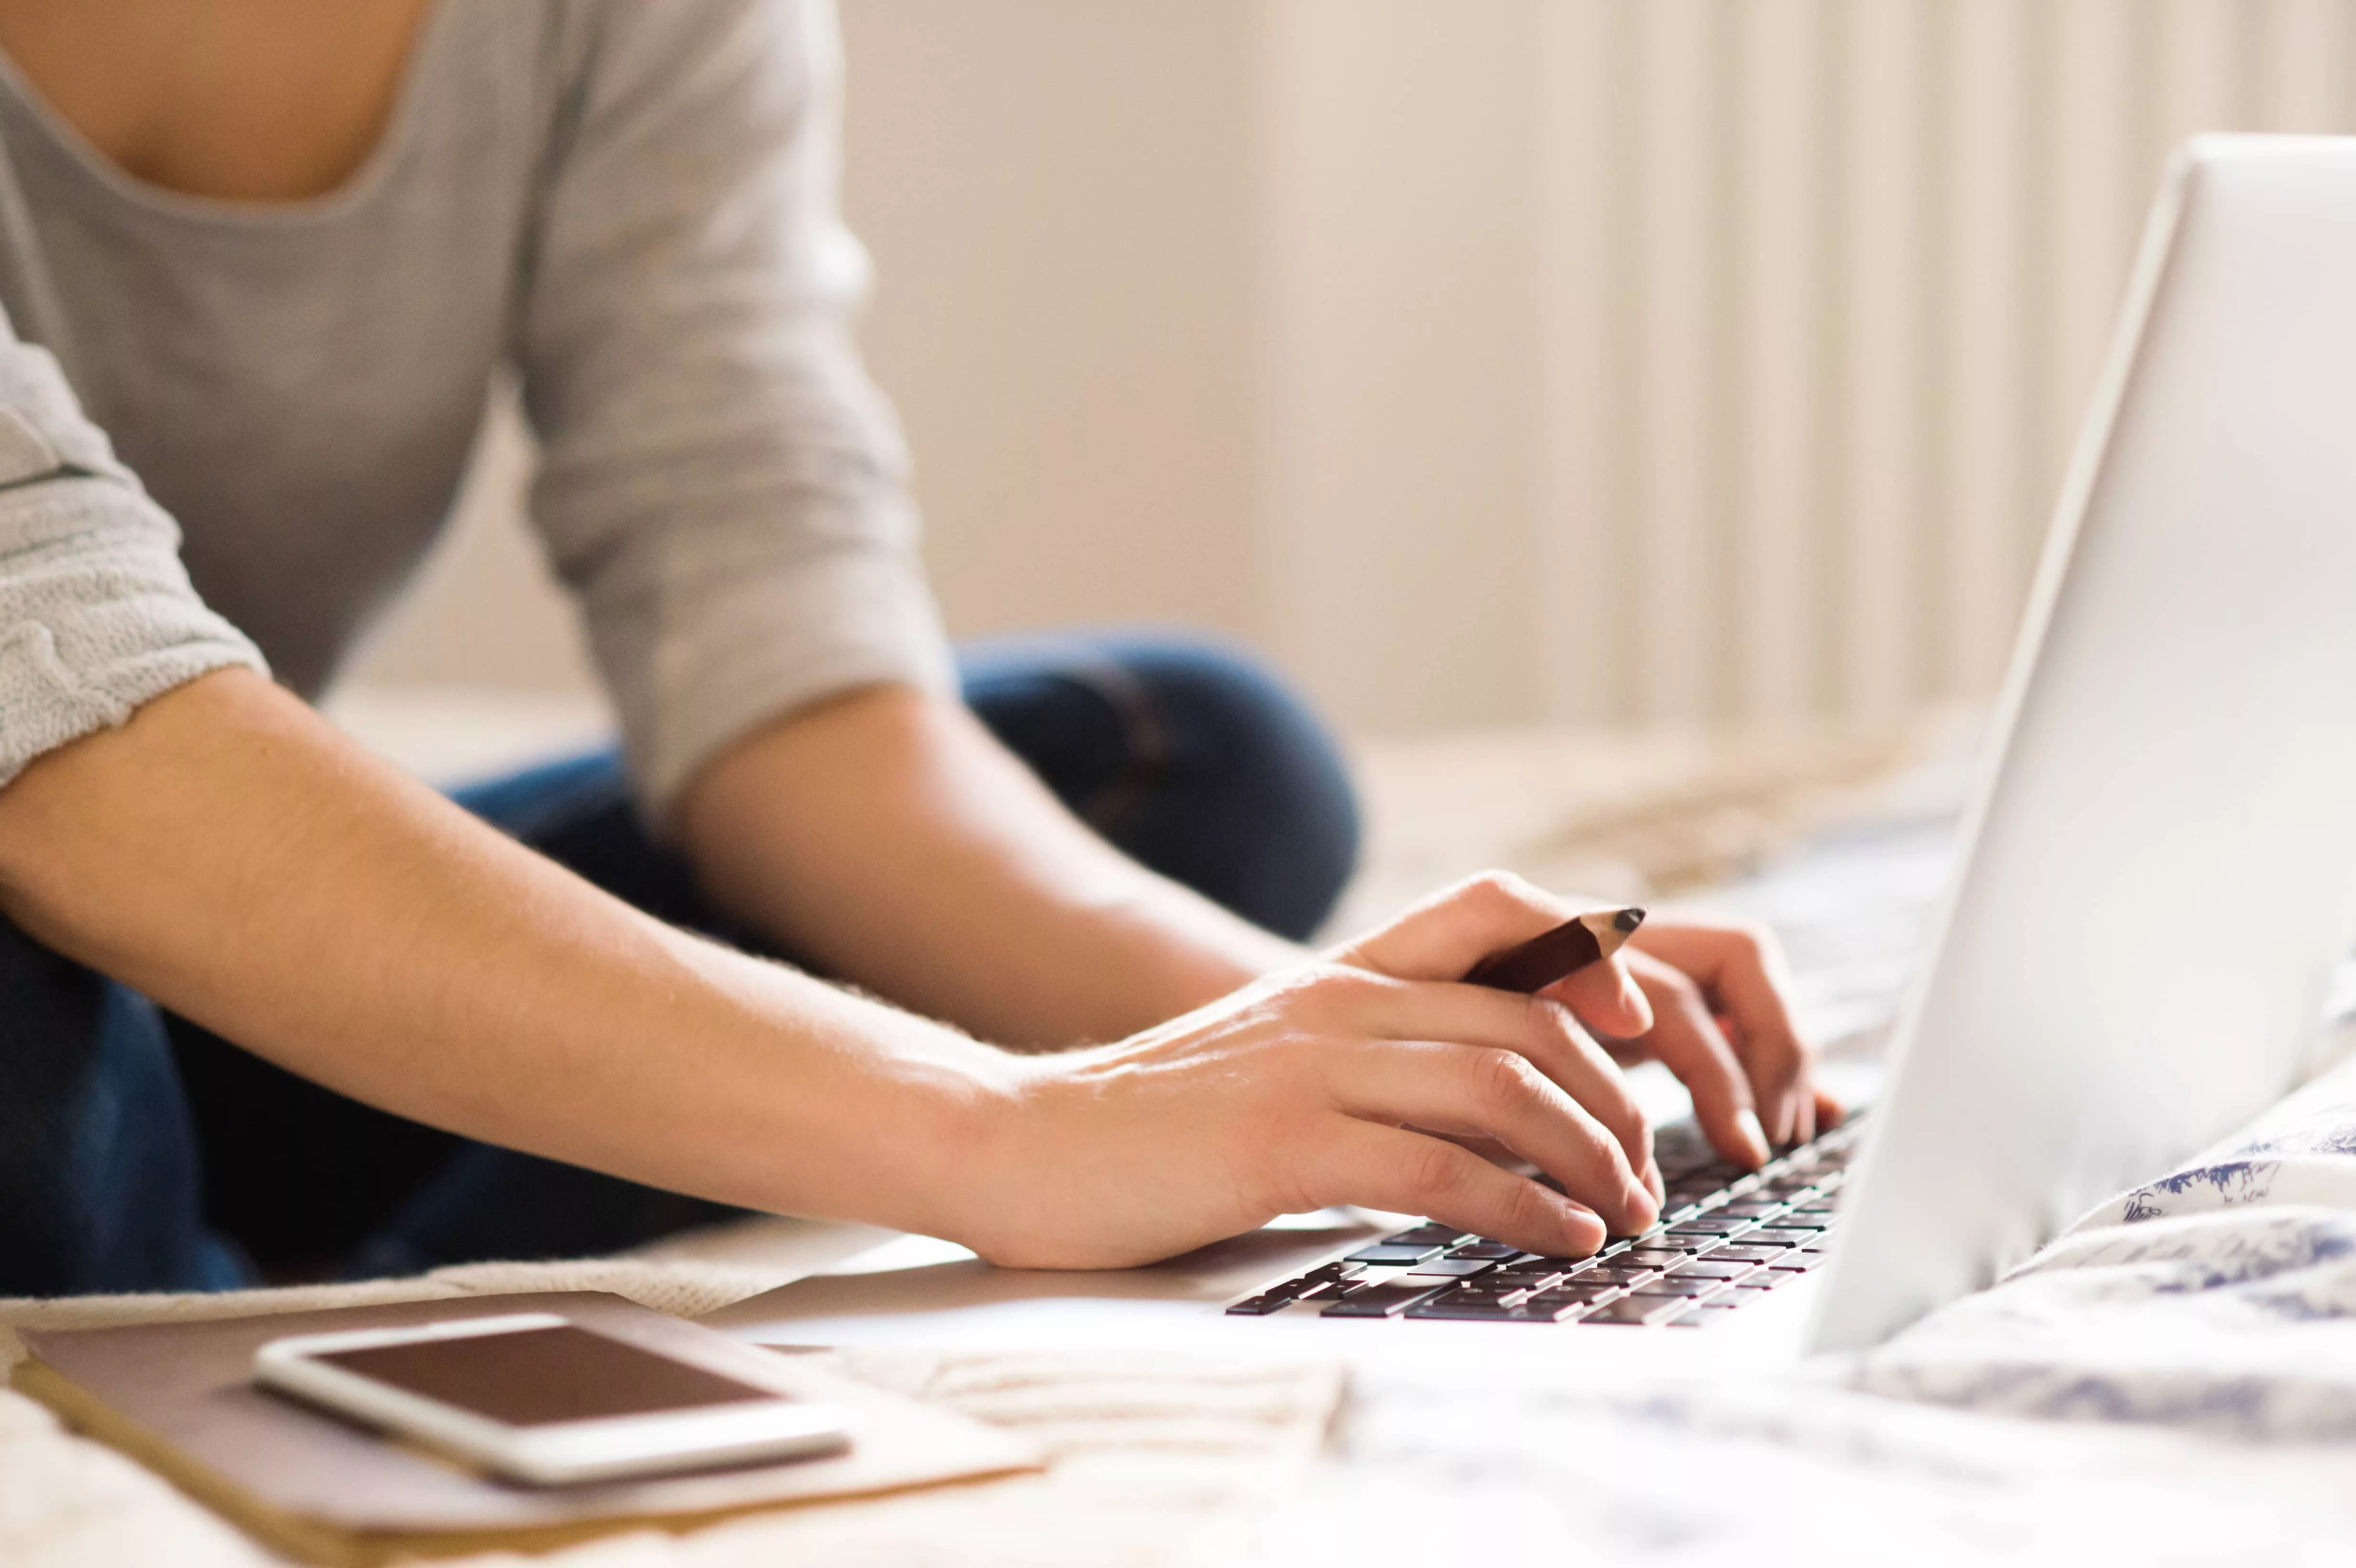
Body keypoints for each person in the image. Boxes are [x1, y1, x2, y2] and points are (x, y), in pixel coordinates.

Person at [0, 0, 1835, 1298]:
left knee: (1193, 755)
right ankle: (209, 1276)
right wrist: (1000, 1135)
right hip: (55, 886)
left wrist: (1339, 1059)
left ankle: (280, 1258)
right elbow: (66, 728)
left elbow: (777, 657)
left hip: (181, 955)